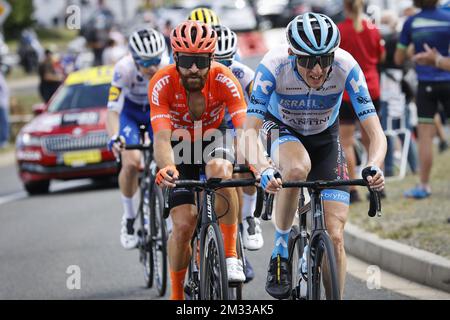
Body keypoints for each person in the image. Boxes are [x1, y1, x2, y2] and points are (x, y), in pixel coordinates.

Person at [239, 13, 386, 299]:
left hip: (325, 137)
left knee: (335, 236)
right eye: (307, 61)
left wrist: (374, 165)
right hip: (281, 128)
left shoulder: (347, 66)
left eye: (324, 59)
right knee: (297, 168)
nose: (317, 70)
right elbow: (248, 133)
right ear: (293, 54)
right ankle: (281, 249)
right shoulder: (273, 65)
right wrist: (263, 168)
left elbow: (376, 133)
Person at [149, 20, 248, 300]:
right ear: (176, 58)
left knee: (221, 170)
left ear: (212, 58)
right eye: (188, 60)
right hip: (178, 146)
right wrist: (167, 167)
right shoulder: (162, 82)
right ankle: (177, 296)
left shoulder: (224, 78)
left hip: (214, 138)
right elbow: (161, 138)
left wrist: (257, 162)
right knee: (183, 226)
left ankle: (230, 255)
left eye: (201, 60)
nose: (194, 68)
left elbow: (244, 128)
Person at [106, 28, 169, 249]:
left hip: (155, 111)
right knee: (131, 162)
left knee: (166, 159)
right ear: (134, 58)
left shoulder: (167, 65)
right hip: (130, 114)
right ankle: (130, 218)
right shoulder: (122, 69)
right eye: (146, 61)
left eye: (156, 60)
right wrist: (115, 136)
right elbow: (113, 111)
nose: (152, 67)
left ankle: (168, 211)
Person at [213, 24, 263, 282]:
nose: (221, 65)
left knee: (245, 162)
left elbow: (257, 114)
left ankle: (248, 219)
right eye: (215, 60)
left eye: (226, 60)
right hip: (207, 130)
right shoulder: (198, 75)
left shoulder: (244, 73)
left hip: (235, 124)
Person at [395, 0, 450, 199]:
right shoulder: (448, 18)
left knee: (425, 136)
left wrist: (414, 51)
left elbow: (399, 58)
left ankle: (424, 185)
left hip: (425, 83)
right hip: (448, 78)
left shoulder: (412, 22)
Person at [337, 0, 386, 203]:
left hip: (348, 93)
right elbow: (381, 55)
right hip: (371, 88)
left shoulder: (341, 30)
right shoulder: (373, 29)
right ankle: (377, 186)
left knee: (346, 142)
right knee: (372, 139)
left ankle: (352, 189)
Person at [0, 65, 9, 149]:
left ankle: (3, 140)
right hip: (1, 103)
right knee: (4, 122)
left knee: (4, 122)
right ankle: (3, 141)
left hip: (3, 102)